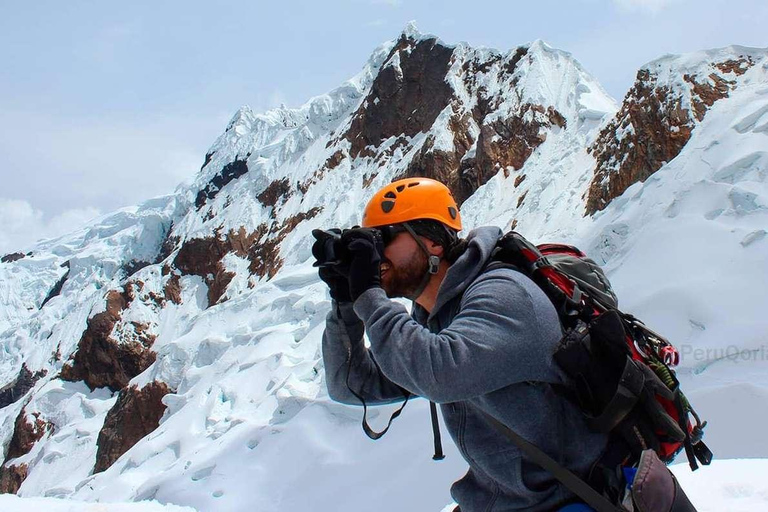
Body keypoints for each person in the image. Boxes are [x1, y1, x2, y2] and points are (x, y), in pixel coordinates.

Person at [314, 177, 611, 512]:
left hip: (573, 500)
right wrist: (345, 304)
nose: (374, 256)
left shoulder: (504, 295)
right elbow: (351, 385)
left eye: (383, 239)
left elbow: (440, 374)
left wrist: (368, 294)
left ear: (433, 244)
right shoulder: (435, 317)